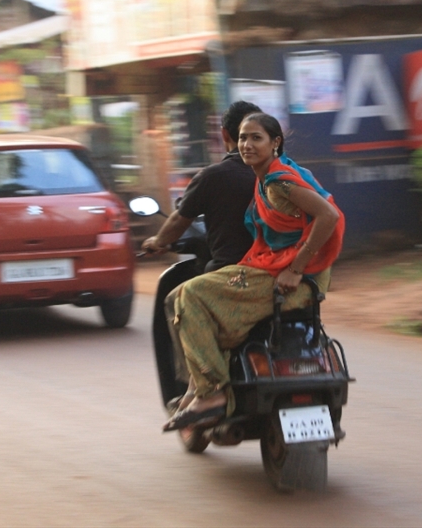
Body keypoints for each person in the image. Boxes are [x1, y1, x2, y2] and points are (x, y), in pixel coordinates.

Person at [163, 112, 345, 431]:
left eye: (256, 138)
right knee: (184, 296)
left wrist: (296, 269)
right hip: (288, 271)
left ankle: (212, 394)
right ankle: (199, 385)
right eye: (244, 138)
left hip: (292, 277)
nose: (247, 144)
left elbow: (328, 215)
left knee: (188, 295)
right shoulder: (268, 176)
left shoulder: (278, 182)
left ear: (275, 143)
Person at [141, 100, 262, 272]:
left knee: (175, 298)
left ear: (224, 134)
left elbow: (179, 220)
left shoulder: (212, 176)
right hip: (278, 269)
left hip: (230, 271)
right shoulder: (282, 171)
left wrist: (157, 241)